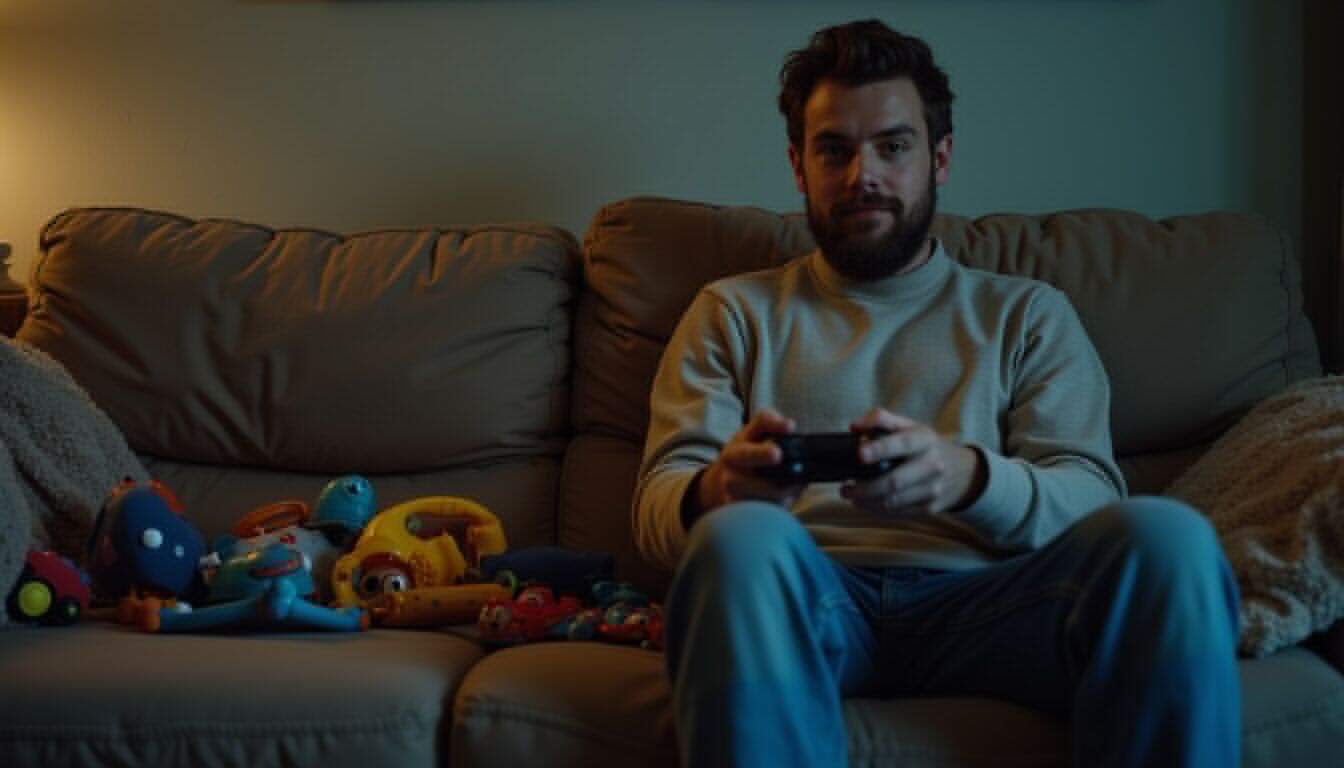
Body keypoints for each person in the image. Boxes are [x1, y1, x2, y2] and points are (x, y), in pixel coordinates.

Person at [632, 19, 1241, 768]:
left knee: (1169, 538)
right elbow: (658, 505)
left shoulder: (1027, 314)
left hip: (997, 604)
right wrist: (718, 491)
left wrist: (968, 478)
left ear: (939, 157)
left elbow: (1091, 495)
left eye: (893, 146)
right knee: (735, 538)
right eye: (835, 150)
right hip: (806, 603)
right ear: (799, 166)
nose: (864, 176)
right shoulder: (731, 312)